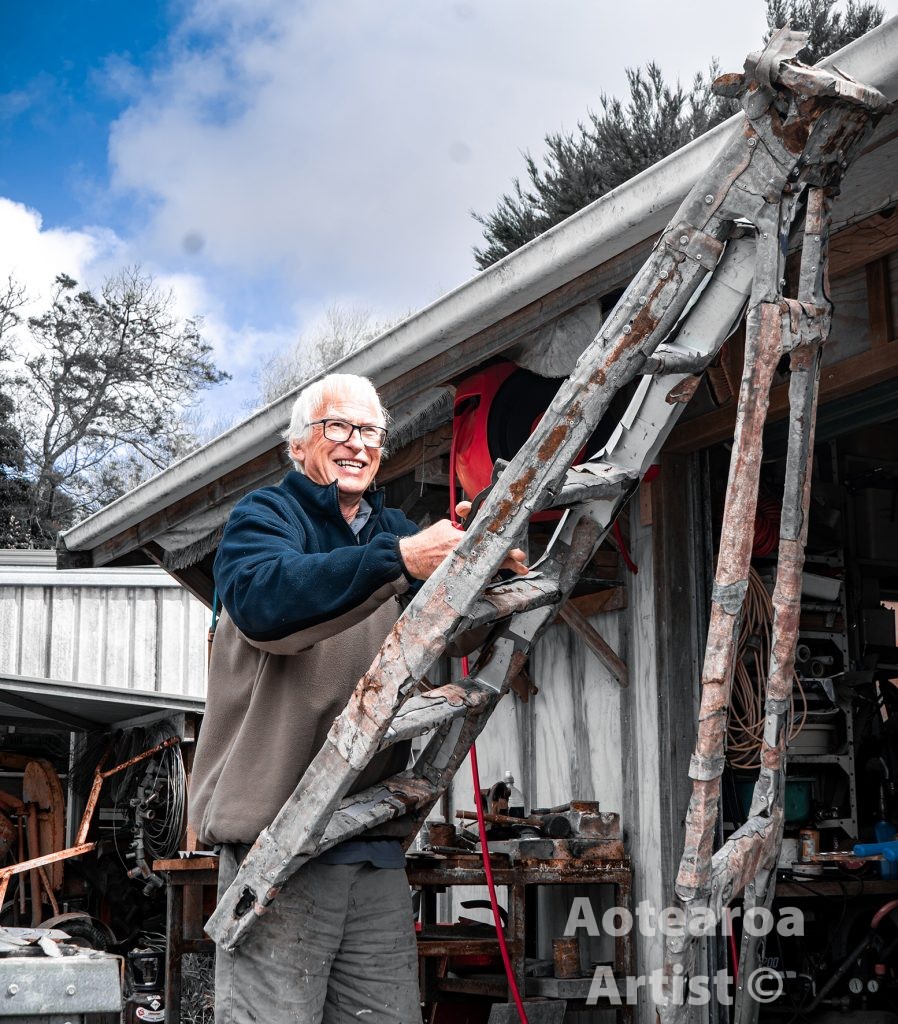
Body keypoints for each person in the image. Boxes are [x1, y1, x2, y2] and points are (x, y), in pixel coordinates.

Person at [189, 372, 526, 1024]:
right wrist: (401, 558)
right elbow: (265, 607)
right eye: (336, 428)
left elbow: (457, 630)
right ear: (300, 445)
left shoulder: (390, 529)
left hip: (370, 842)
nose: (355, 444)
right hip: (279, 845)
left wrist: (483, 569)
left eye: (369, 432)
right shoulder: (263, 520)